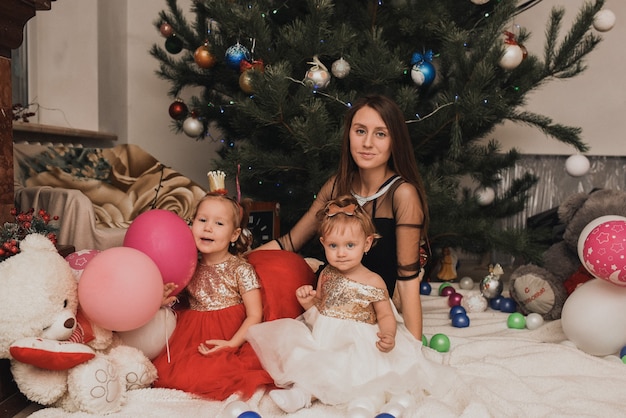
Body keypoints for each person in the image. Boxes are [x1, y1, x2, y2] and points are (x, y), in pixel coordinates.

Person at [256, 94, 428, 339]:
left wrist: (415, 351)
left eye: (380, 134)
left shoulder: (403, 194)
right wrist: (236, 262)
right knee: (275, 270)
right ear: (349, 135)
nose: (367, 143)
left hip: (366, 317)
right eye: (360, 131)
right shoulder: (337, 185)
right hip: (326, 305)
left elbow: (408, 280)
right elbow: (289, 243)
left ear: (394, 142)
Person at [246, 196, 438, 415]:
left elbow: (385, 315)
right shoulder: (326, 274)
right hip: (325, 338)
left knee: (357, 372)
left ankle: (363, 401)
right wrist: (308, 302)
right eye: (333, 245)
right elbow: (321, 310)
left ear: (366, 243)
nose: (341, 252)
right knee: (311, 361)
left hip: (358, 342)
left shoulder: (374, 281)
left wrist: (389, 334)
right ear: (323, 244)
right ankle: (301, 394)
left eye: (350, 245)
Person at [152, 191, 273, 400]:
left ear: (234, 235)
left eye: (219, 223)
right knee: (173, 372)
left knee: (219, 373)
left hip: (230, 332)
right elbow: (178, 301)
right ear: (191, 223)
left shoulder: (240, 269)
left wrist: (232, 343)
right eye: (202, 220)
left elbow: (255, 315)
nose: (208, 227)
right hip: (192, 332)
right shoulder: (188, 266)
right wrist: (163, 299)